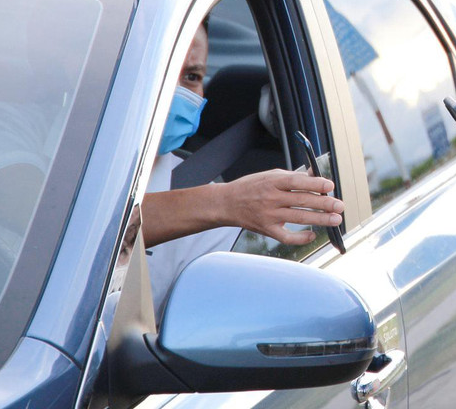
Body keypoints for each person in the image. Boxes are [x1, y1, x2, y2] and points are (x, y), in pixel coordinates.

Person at [142, 20, 344, 316]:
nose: (175, 90)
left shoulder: (223, 220)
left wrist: (229, 204)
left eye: (192, 76)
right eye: (162, 68)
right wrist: (226, 202)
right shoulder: (52, 163)